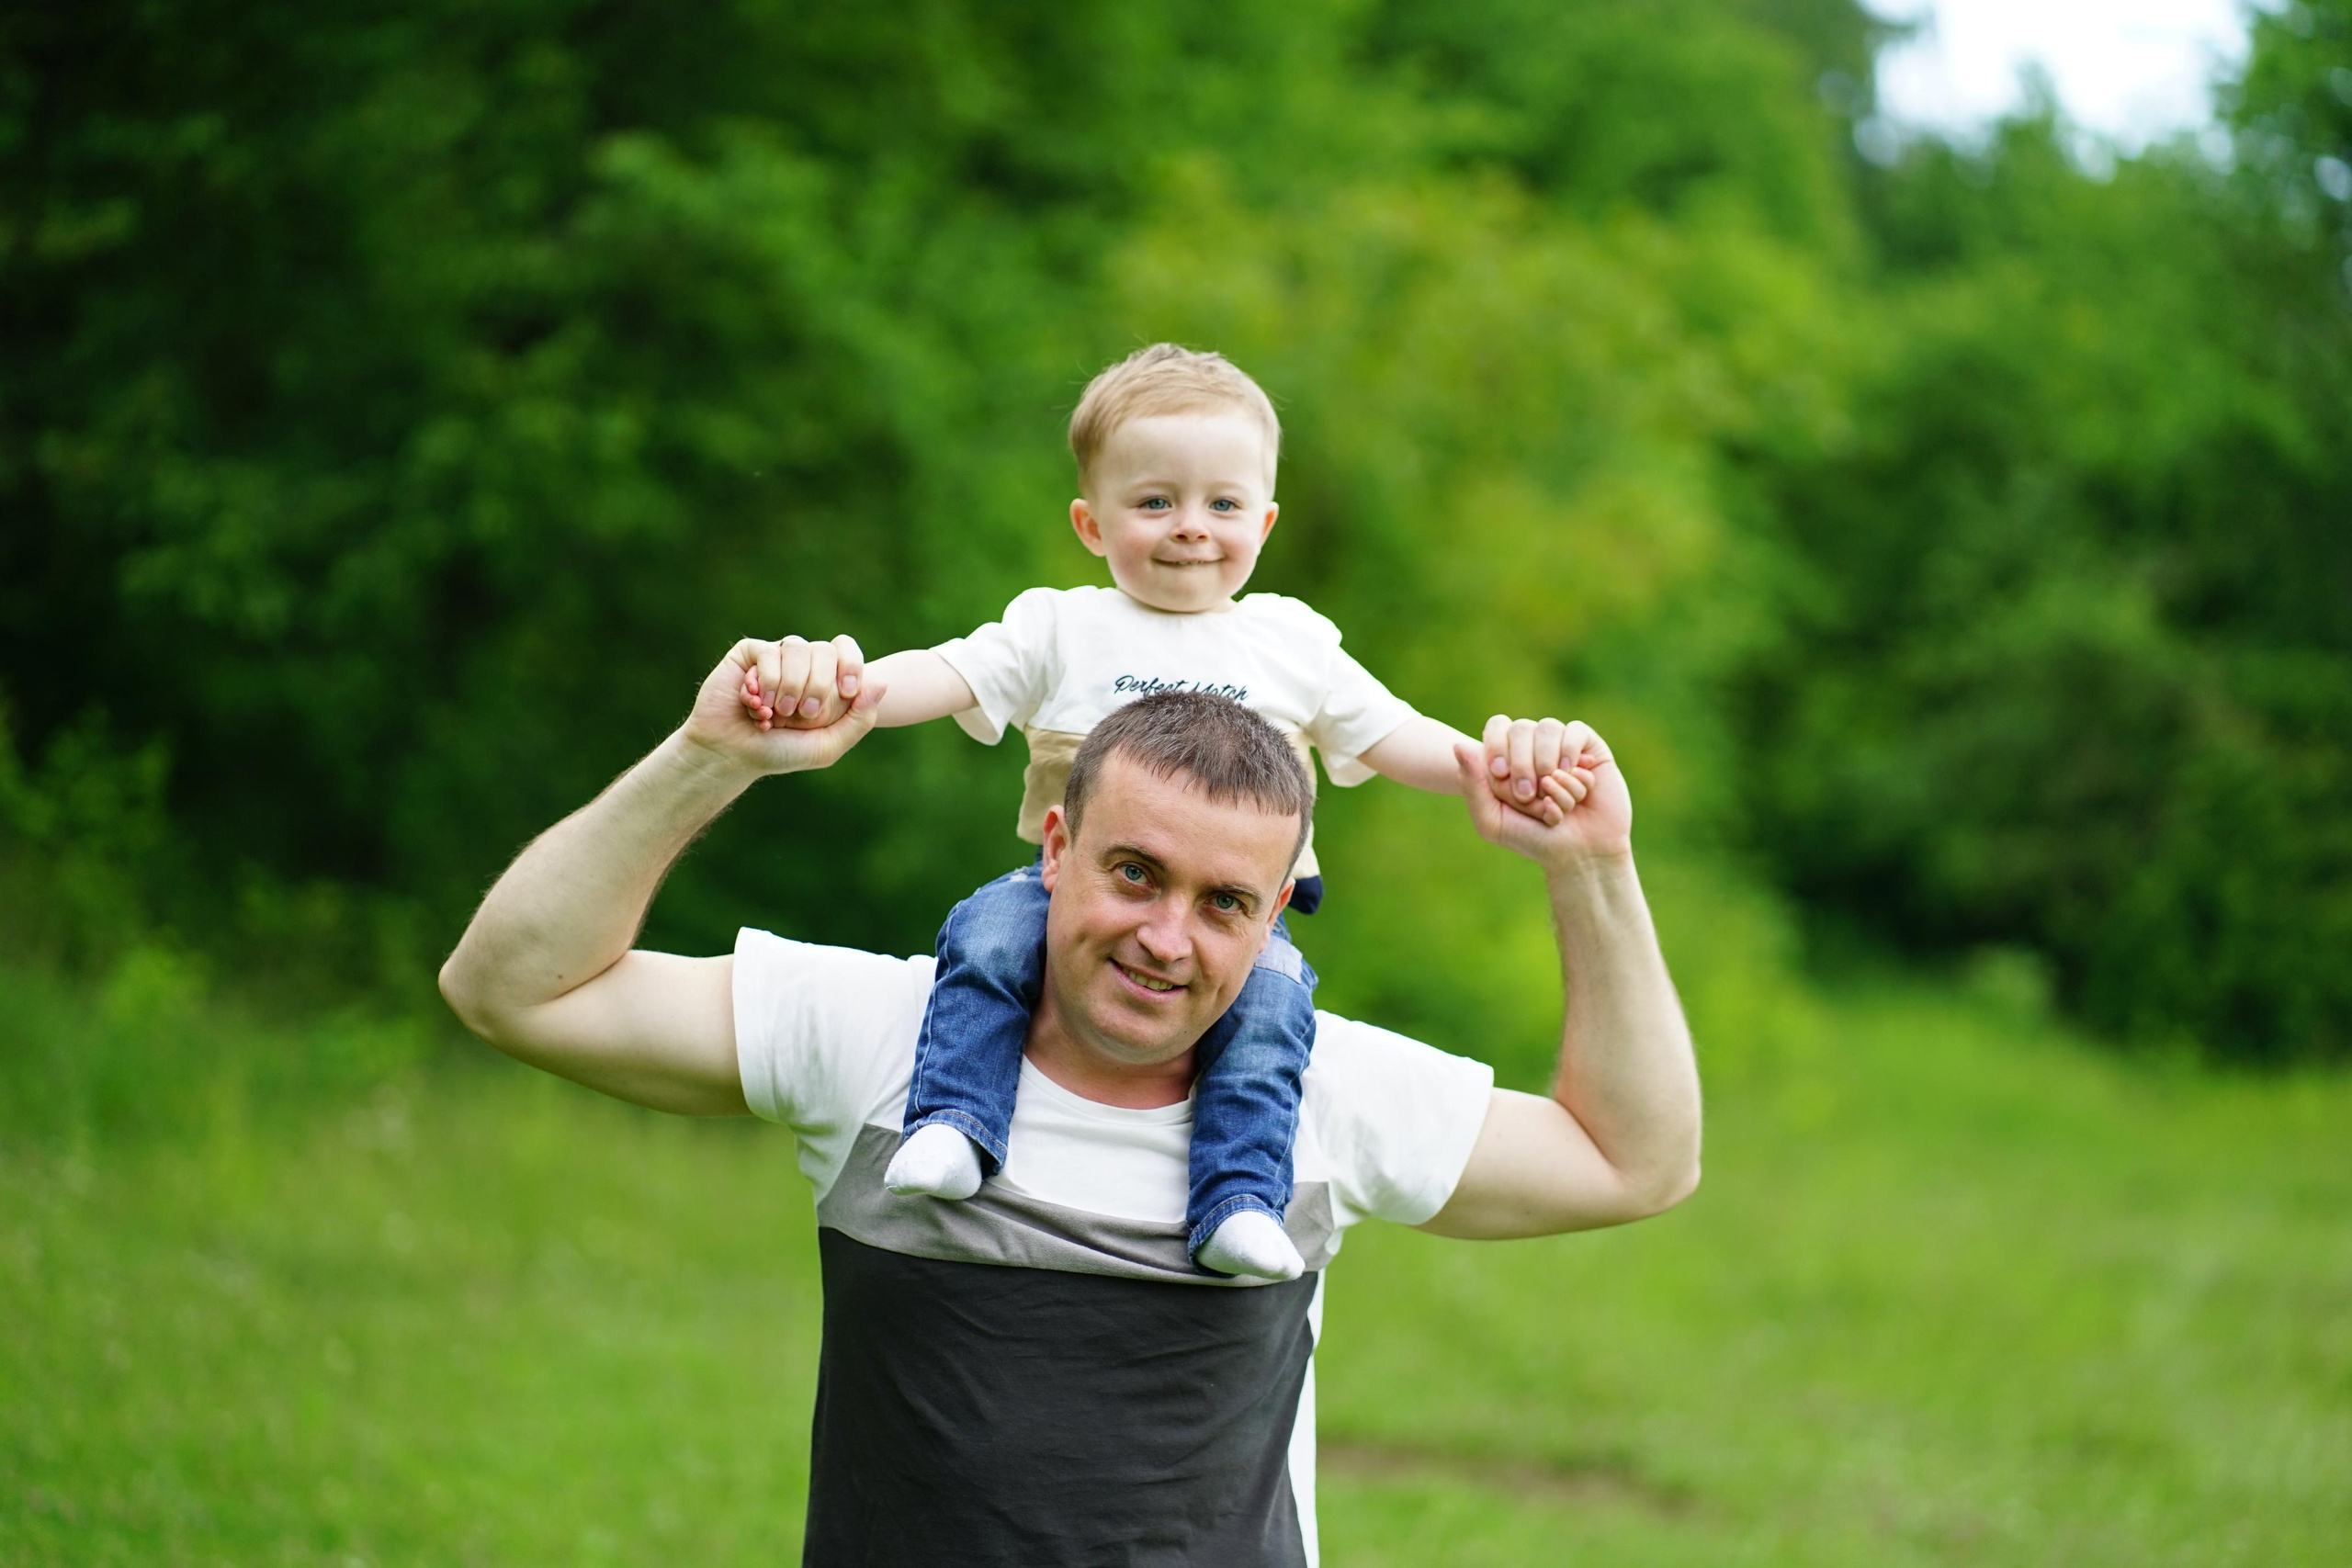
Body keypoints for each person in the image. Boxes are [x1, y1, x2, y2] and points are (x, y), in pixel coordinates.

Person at [437, 635, 1701, 1568]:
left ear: (1275, 916)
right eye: (1135, 872)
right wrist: (707, 755)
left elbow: (1631, 1158)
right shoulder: (885, 1034)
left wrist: (1592, 866)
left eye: (1224, 903)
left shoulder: (1319, 1089)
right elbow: (514, 988)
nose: (1167, 936)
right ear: (1052, 846)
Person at [735, 343, 1572, 1282]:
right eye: (1154, 503)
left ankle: (1238, 1202)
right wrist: (845, 685)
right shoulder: (1059, 625)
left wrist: (1481, 766)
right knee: (983, 943)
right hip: (1070, 899)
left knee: (1270, 1017)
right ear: (1092, 524)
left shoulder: (1291, 642)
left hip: (1236, 925)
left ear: (1265, 519)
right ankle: (956, 1126)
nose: (1190, 528)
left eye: (1221, 505)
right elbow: (948, 670)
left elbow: (1388, 732)